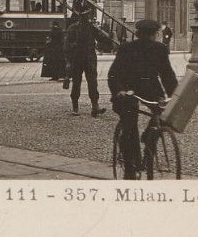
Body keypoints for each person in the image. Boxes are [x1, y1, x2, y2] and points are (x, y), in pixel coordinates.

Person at [107, 19, 180, 180]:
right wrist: (120, 91)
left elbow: (166, 74)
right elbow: (168, 75)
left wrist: (174, 95)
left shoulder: (153, 49)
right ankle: (129, 167)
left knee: (162, 115)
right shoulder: (130, 49)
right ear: (155, 34)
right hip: (129, 90)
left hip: (146, 89)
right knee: (130, 125)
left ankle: (149, 138)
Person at [64, 12, 105, 116]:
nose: (86, 18)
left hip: (89, 58)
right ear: (80, 17)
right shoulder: (73, 28)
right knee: (76, 83)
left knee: (92, 82)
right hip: (77, 58)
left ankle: (95, 106)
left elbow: (102, 39)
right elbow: (67, 44)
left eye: (87, 16)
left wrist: (102, 32)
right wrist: (69, 58)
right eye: (84, 16)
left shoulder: (91, 28)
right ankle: (75, 106)